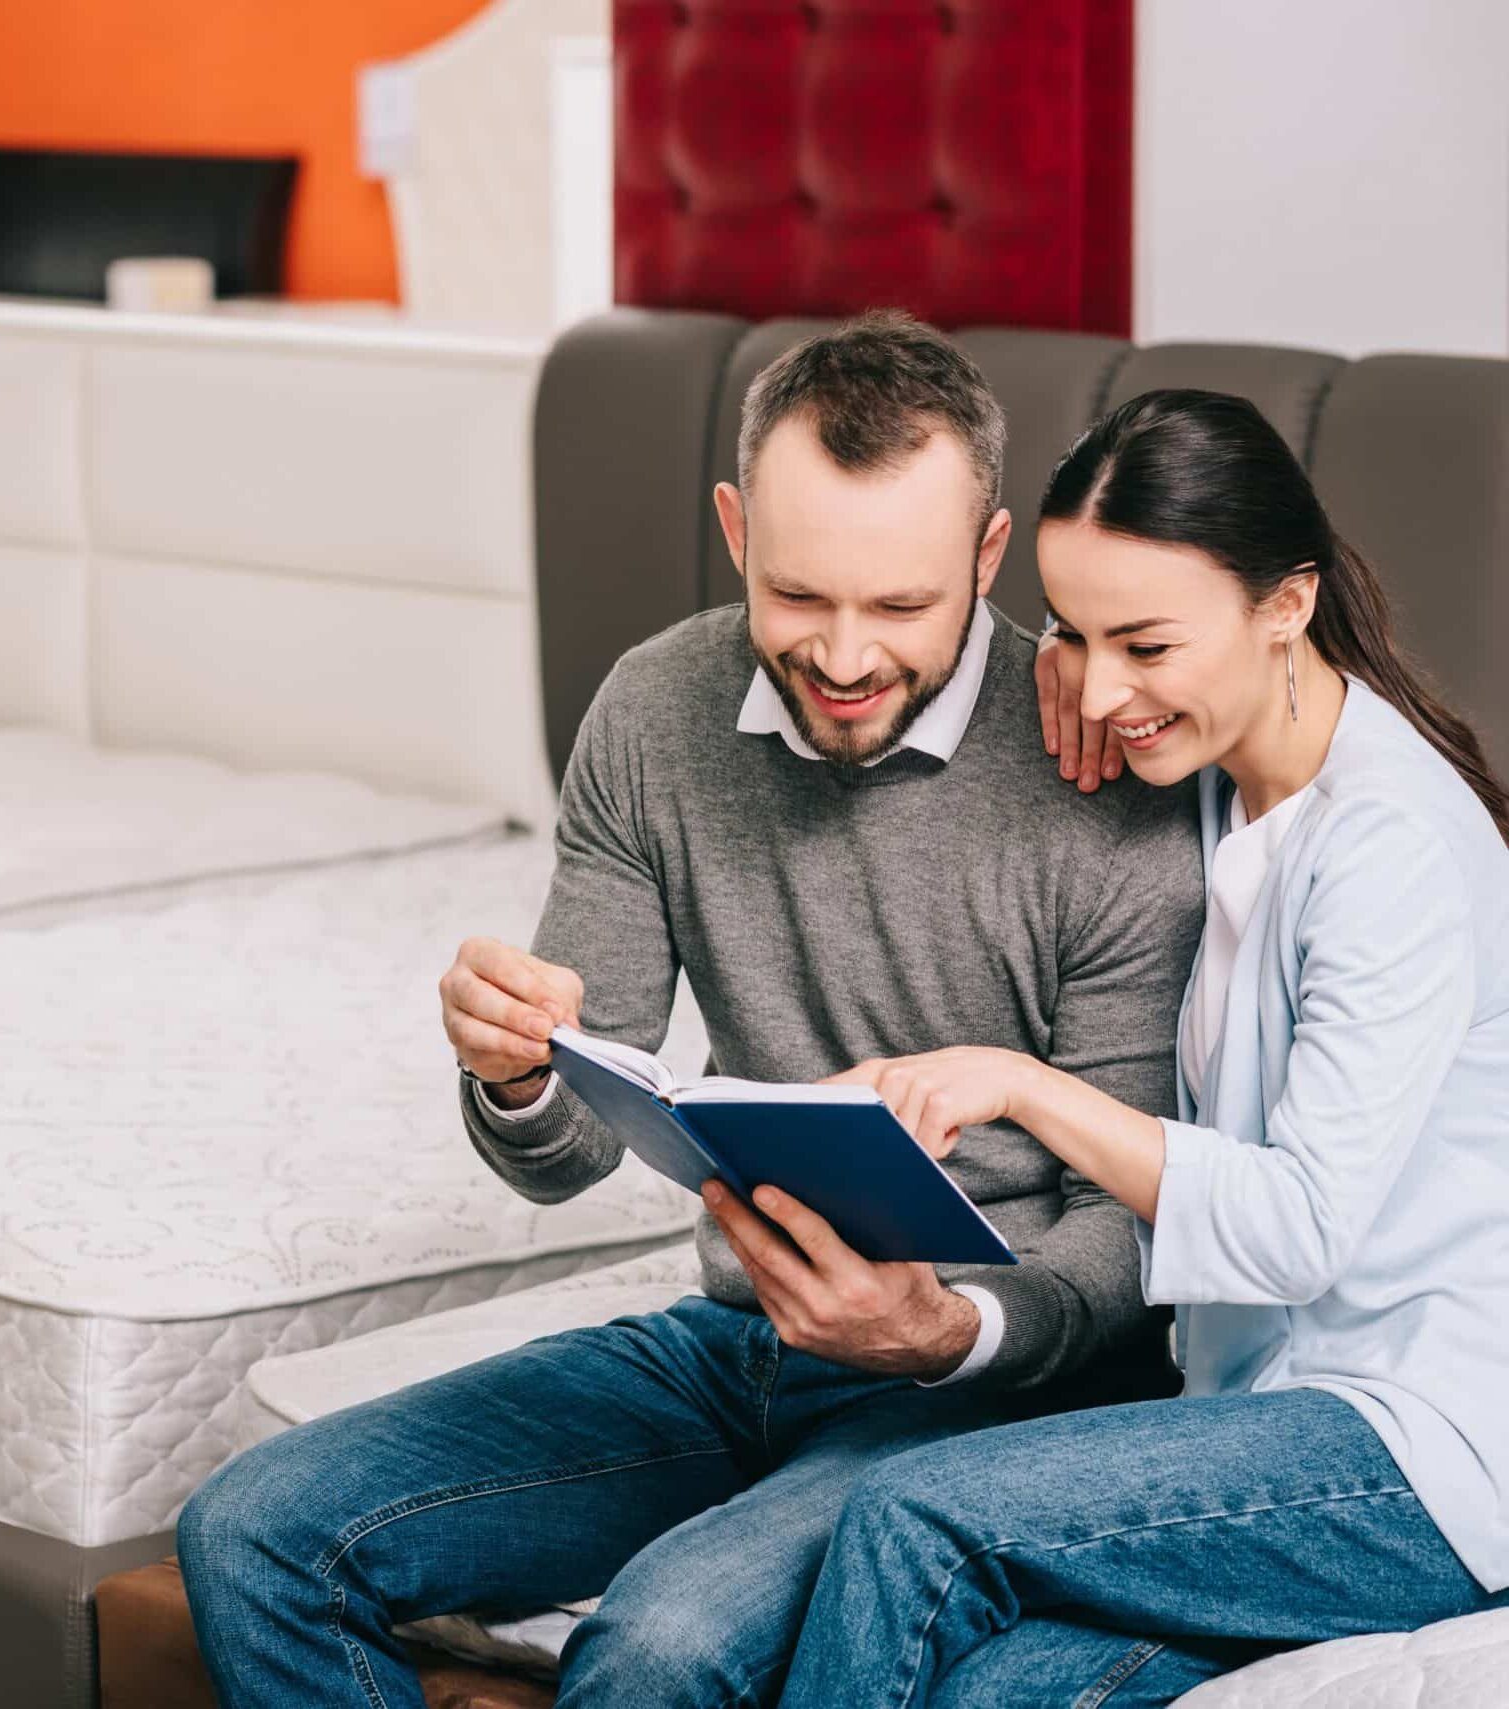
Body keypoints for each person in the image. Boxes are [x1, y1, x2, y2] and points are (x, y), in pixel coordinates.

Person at [175, 314, 1204, 1708]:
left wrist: (944, 1329)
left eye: (901, 607)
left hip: (988, 1389)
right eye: (798, 594)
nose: (844, 655)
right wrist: (517, 1072)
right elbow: (567, 1153)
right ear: (734, 529)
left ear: (985, 555)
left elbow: (1137, 1233)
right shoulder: (656, 709)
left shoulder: (1105, 769)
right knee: (252, 1533)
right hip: (740, 1339)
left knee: (658, 1646)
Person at [763, 389, 1509, 1708]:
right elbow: (1084, 676)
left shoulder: (1388, 846)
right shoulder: (1231, 778)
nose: (1104, 689)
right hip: (1263, 1411)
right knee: (985, 1690)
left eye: (1147, 643)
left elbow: (1298, 1228)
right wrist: (1078, 662)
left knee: (913, 1520)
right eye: (1075, 632)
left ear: (1287, 603)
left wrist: (1022, 1086)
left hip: (1427, 1447)